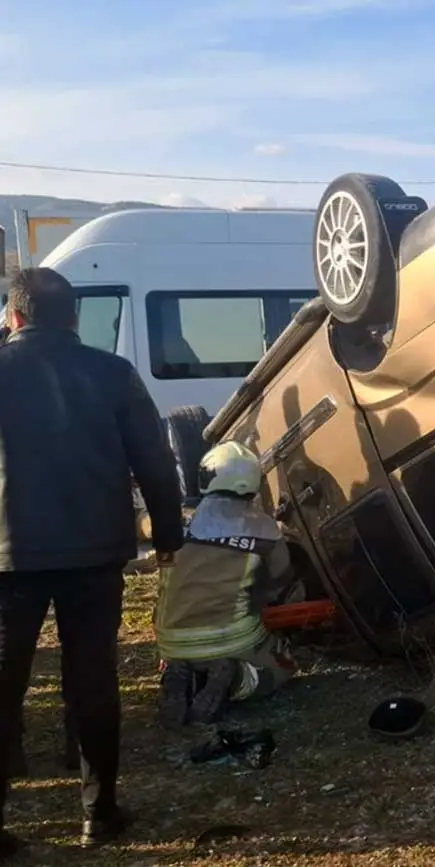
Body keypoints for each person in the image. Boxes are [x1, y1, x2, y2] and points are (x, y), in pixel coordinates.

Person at [0, 268, 184, 857]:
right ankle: (98, 814)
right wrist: (168, 538)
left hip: (8, 556)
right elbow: (156, 462)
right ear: (74, 317)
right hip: (94, 552)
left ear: (15, 317)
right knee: (93, 681)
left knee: (4, 687)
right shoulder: (113, 373)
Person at [154, 441, 298, 729]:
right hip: (233, 639)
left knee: (186, 648)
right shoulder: (266, 531)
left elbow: (166, 572)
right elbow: (283, 587)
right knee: (283, 666)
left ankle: (184, 675)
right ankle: (238, 679)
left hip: (170, 640)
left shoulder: (174, 526)